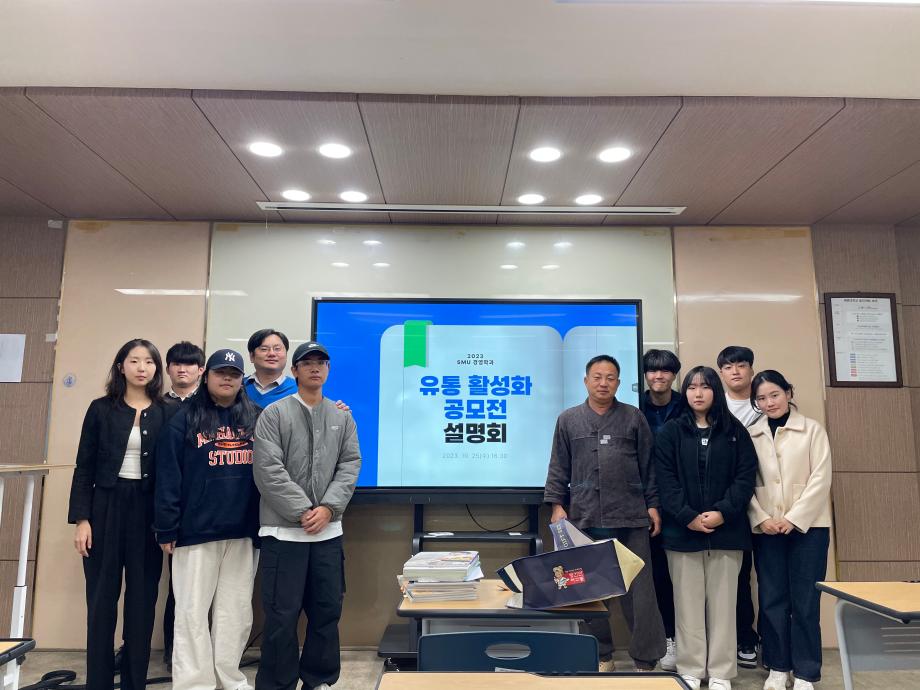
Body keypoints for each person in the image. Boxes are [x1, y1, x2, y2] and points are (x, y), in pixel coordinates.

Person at [545, 354, 666, 672]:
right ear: (586, 381)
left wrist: (653, 505)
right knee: (587, 589)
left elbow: (648, 466)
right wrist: (557, 505)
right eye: (597, 377)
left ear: (618, 382)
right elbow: (558, 466)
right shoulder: (568, 419)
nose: (603, 383)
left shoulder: (633, 417)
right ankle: (601, 655)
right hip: (584, 517)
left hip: (631, 516)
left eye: (610, 377)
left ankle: (646, 659)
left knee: (640, 591)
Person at [253, 341, 361, 690]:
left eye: (321, 363)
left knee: (326, 612)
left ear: (328, 370)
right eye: (307, 363)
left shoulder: (342, 417)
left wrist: (328, 508)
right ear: (295, 371)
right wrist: (303, 511)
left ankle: (320, 679)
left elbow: (350, 465)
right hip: (283, 535)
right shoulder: (274, 414)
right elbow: (268, 469)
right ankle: (277, 683)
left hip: (328, 535)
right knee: (281, 616)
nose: (315, 368)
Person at [154, 348, 261, 690]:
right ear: (207, 376)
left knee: (236, 613)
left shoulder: (256, 417)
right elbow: (167, 476)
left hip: (243, 532)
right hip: (194, 532)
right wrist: (166, 526)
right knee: (191, 613)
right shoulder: (183, 419)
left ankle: (229, 679)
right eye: (220, 372)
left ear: (242, 379)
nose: (227, 378)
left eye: (234, 373)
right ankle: (194, 683)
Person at [68, 339, 172, 690]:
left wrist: (169, 523)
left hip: (148, 511)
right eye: (134, 361)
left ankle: (133, 683)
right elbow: (84, 467)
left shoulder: (168, 412)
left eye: (149, 362)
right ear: (121, 367)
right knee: (101, 602)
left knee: (142, 603)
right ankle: (98, 683)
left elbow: (174, 470)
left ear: (157, 369)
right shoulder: (100, 409)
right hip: (105, 509)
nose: (142, 368)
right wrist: (82, 519)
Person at [655, 366, 757, 690]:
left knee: (724, 607)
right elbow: (665, 481)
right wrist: (688, 516)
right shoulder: (670, 432)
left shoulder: (735, 431)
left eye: (705, 386)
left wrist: (723, 513)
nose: (697, 393)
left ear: (715, 390)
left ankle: (721, 673)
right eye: (691, 387)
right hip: (682, 532)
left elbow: (745, 478)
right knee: (687, 606)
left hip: (727, 533)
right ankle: (691, 668)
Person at [748, 371, 832, 690]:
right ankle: (778, 666)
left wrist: (794, 518)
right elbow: (743, 482)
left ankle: (806, 671)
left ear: (788, 393)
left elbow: (821, 478)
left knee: (806, 601)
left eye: (775, 395)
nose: (769, 402)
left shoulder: (812, 430)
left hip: (809, 528)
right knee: (771, 598)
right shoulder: (751, 434)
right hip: (767, 528)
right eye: (761, 398)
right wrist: (761, 517)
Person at [717, 345, 762, 669]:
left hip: (765, 503)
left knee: (758, 579)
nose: (735, 371)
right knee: (732, 578)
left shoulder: (765, 404)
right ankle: (733, 639)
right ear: (721, 373)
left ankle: (752, 638)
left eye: (741, 365)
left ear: (751, 369)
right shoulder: (715, 407)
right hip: (728, 505)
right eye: (728, 366)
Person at [641, 349, 685, 672]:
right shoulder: (634, 407)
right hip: (648, 503)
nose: (659, 376)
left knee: (686, 577)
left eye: (666, 370)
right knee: (657, 577)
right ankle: (668, 638)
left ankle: (691, 640)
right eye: (653, 370)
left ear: (674, 374)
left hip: (684, 502)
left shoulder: (688, 405)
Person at [244, 329, 298, 408]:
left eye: (277, 349)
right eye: (264, 349)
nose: (272, 353)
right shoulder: (238, 387)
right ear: (252, 356)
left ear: (286, 355)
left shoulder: (299, 390)